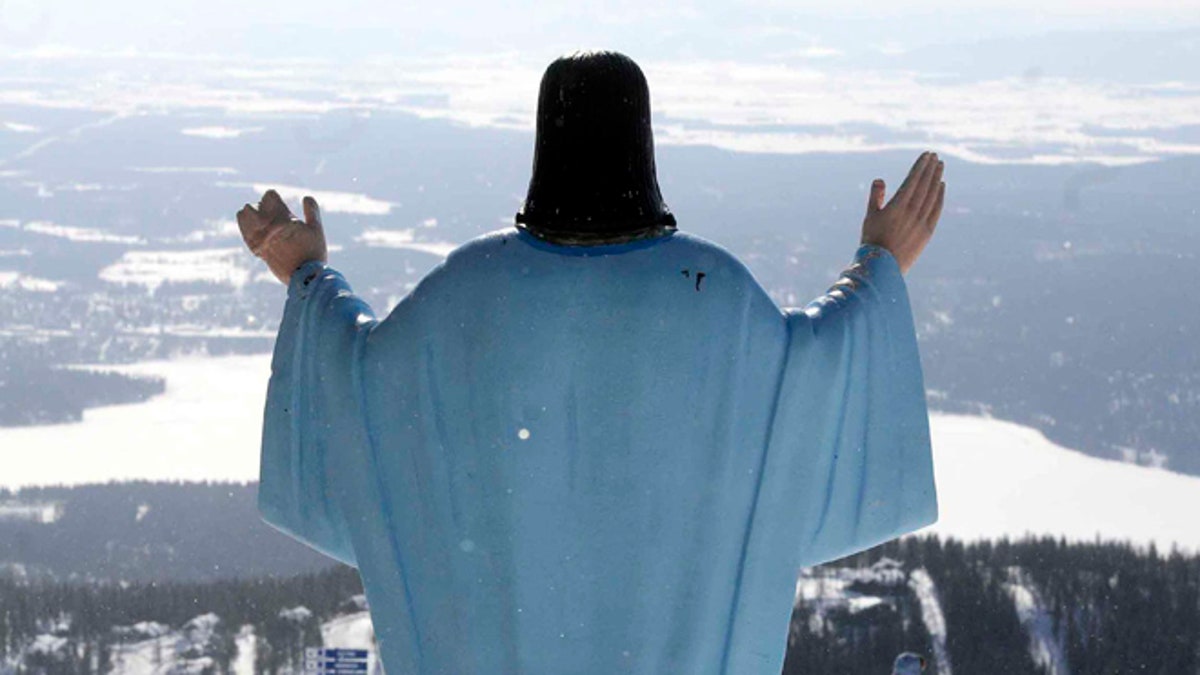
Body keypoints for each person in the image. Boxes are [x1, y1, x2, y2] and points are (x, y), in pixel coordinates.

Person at [237, 50, 942, 675]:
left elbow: (357, 384)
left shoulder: (465, 296)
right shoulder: (717, 301)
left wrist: (305, 272)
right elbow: (815, 383)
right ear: (644, 146)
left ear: (546, 143)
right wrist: (880, 266)